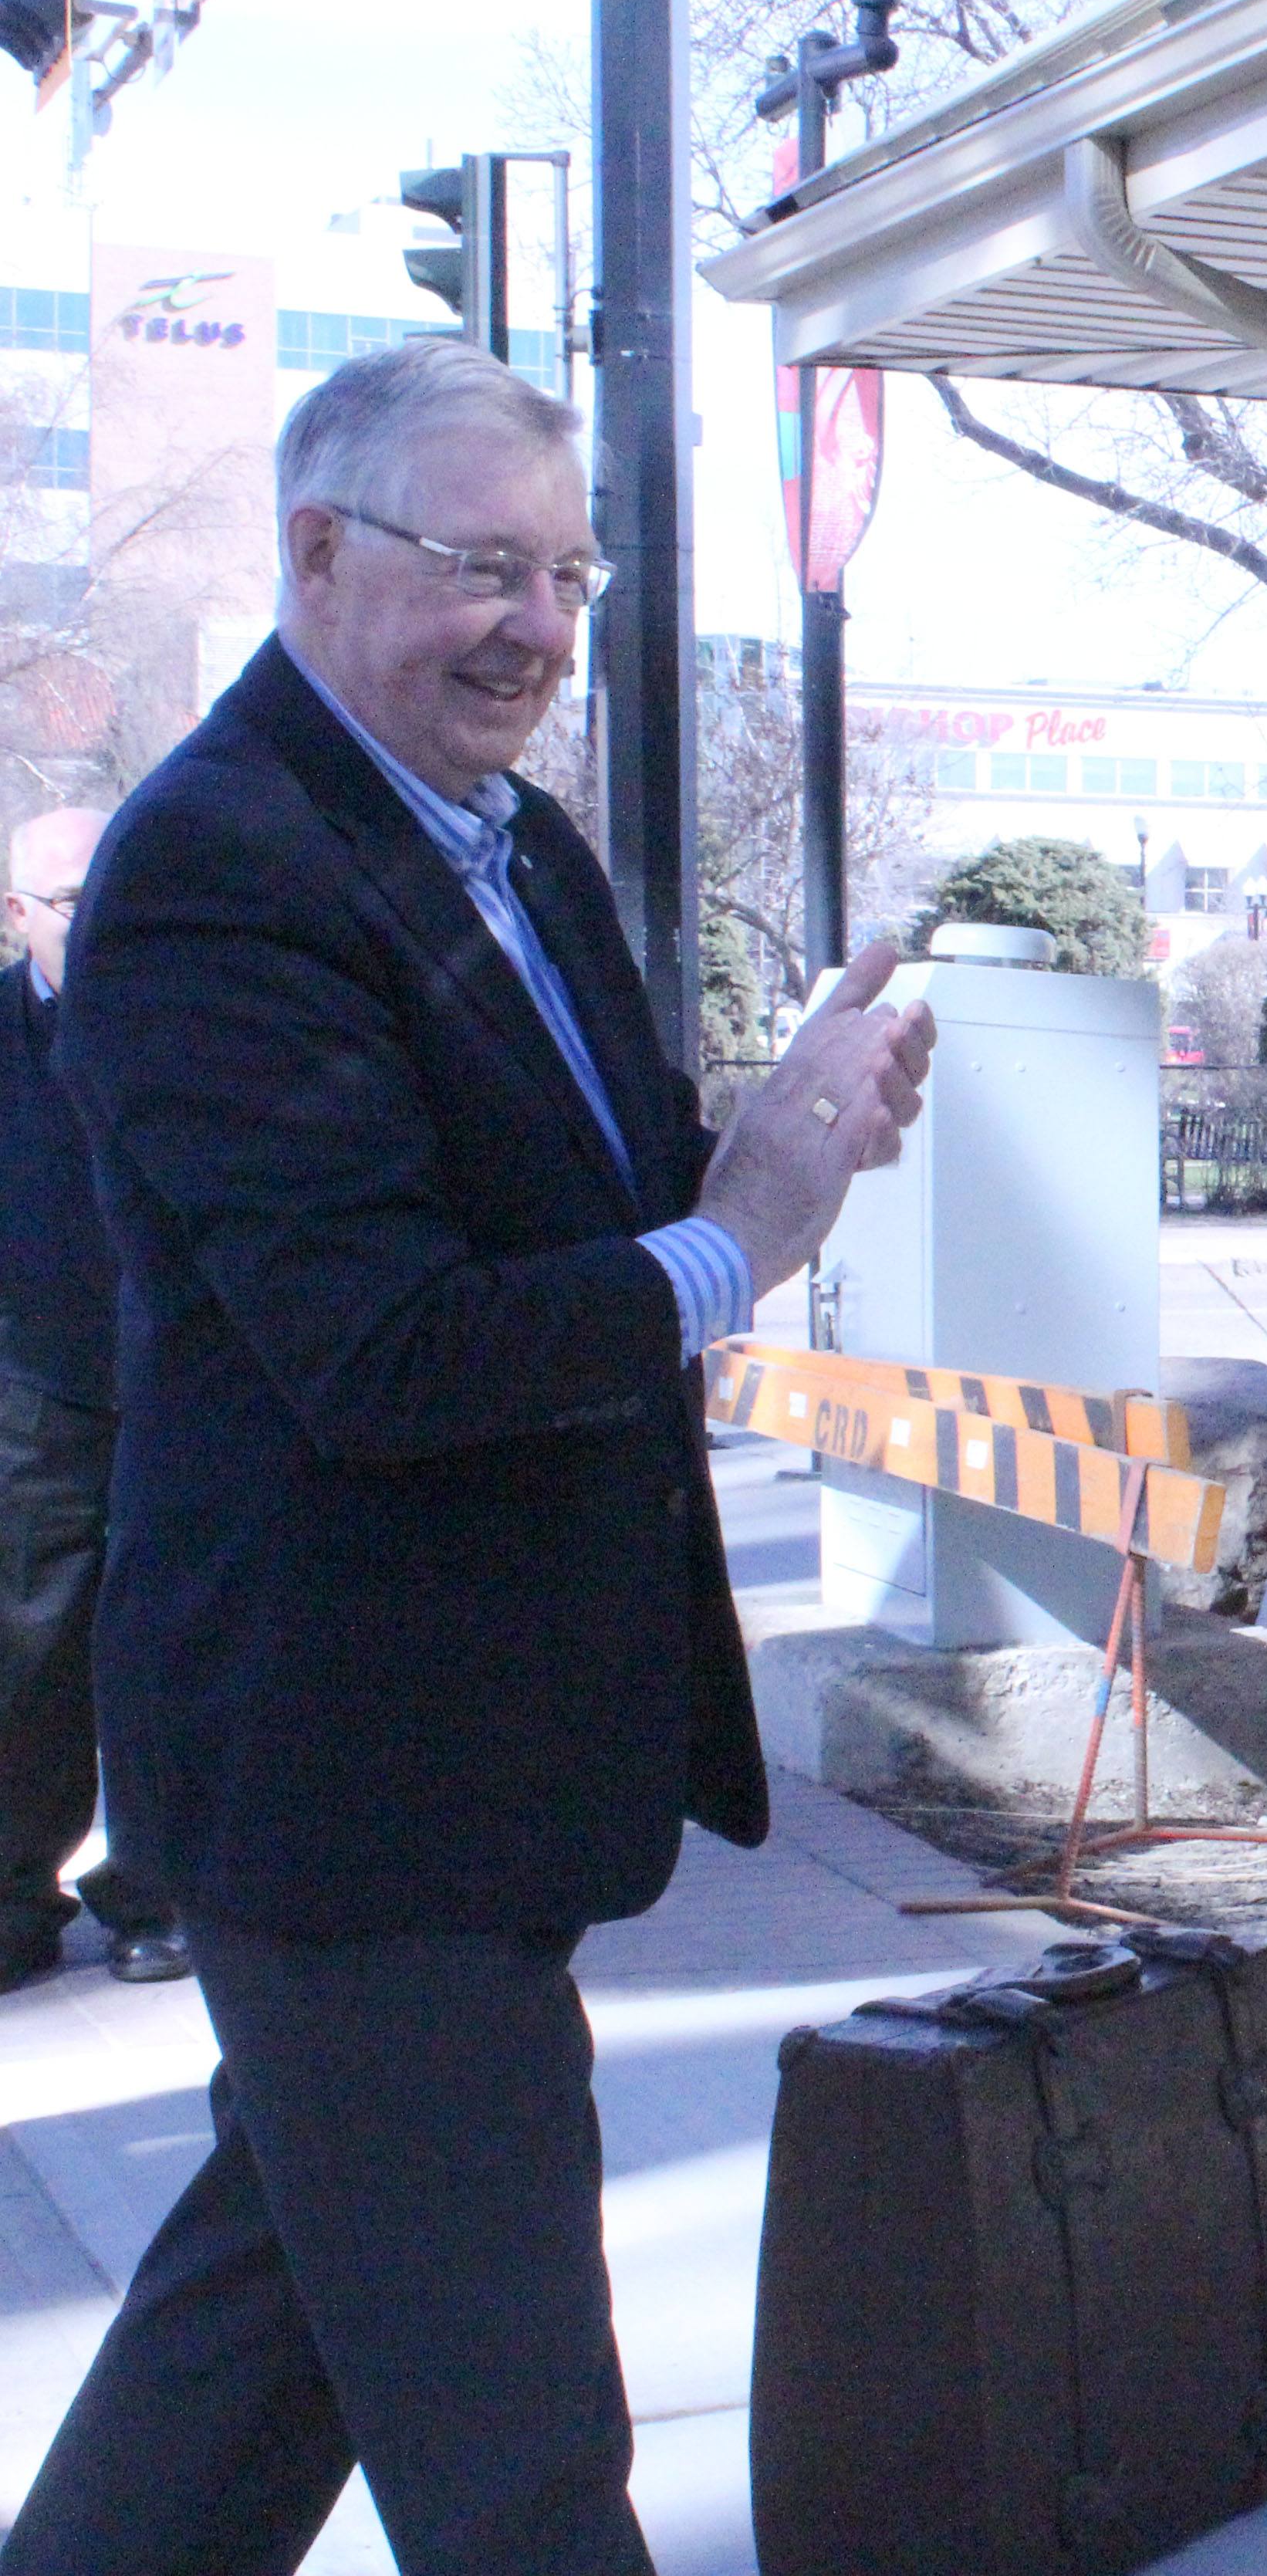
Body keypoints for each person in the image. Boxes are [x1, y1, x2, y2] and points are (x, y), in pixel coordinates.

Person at [2, 338, 933, 2576]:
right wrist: (739, 1243)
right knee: (521, 2455)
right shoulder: (218, 869)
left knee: (266, 2345)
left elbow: (586, 1225)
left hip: (483, 1765)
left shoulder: (522, 850)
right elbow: (383, 1346)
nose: (535, 626)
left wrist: (774, 1139)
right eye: (481, 568)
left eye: (572, 577)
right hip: (344, 1792)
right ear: (319, 556)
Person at [0, 807, 185, 1989]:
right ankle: (17, 1894)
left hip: (184, 1380)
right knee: (31, 1647)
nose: (102, 909)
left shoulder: (193, 1018)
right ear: (18, 915)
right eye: (73, 897)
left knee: (168, 1648)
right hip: (35, 1391)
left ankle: (161, 1893)